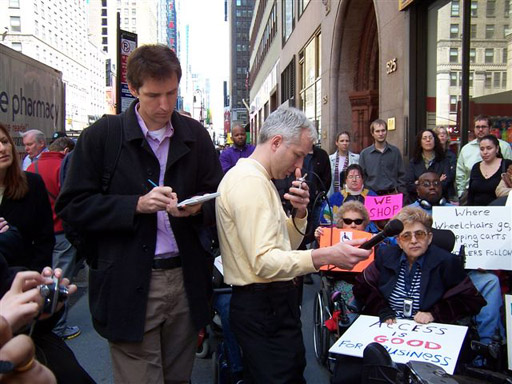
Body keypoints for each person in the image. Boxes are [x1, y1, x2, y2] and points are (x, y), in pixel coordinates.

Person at [56, 44, 223, 384]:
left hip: (185, 278)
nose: (164, 105)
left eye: (172, 93)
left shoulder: (196, 136)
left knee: (179, 378)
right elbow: (72, 207)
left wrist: (194, 209)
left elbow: (218, 201)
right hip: (126, 279)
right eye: (153, 95)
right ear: (133, 90)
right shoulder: (103, 136)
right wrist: (135, 205)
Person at [216, 106, 371, 383]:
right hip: (263, 304)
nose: (299, 166)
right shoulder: (250, 183)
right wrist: (323, 255)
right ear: (276, 142)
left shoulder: (258, 180)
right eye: (297, 154)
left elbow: (282, 243)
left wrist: (299, 214)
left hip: (269, 303)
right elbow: (264, 262)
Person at [408, 171, 506, 359]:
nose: (432, 187)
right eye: (426, 184)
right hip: (426, 275)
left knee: (490, 281)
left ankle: (486, 346)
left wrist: (481, 259)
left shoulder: (458, 211)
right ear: (417, 189)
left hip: (458, 272)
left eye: (436, 183)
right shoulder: (409, 214)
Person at [353, 206, 485, 325]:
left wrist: (434, 314)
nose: (414, 241)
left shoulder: (447, 262)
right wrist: (382, 309)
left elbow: (471, 301)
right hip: (389, 328)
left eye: (420, 234)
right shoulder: (385, 255)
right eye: (406, 236)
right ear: (399, 242)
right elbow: (362, 288)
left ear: (429, 238)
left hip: (429, 331)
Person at [26, 137, 80, 341]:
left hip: (40, 236)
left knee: (42, 279)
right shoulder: (63, 167)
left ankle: (39, 322)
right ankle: (58, 327)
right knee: (61, 281)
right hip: (61, 231)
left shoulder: (32, 167)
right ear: (66, 151)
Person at [0, 123, 54, 273]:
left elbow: (45, 238)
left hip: (23, 280)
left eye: (5, 142)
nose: (3, 148)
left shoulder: (33, 183)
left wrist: (35, 276)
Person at [456, 115, 512, 200]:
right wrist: (461, 193)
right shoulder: (466, 149)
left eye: (483, 127)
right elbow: (460, 174)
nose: (480, 129)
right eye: (477, 127)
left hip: (500, 199)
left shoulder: (504, 146)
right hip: (472, 196)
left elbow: (510, 173)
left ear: (490, 128)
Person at [359, 119, 406, 195]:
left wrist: (401, 192)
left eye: (383, 130)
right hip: (371, 195)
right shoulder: (365, 154)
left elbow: (401, 175)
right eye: (377, 131)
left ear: (386, 131)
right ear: (372, 133)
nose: (380, 134)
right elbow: (362, 176)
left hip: (392, 194)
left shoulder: (395, 152)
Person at [405, 129, 452, 203]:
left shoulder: (444, 161)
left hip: (439, 203)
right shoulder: (414, 162)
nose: (428, 140)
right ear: (420, 142)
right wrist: (437, 182)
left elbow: (446, 183)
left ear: (435, 140)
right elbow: (409, 185)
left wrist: (420, 183)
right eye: (424, 138)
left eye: (430, 138)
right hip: (417, 203)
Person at [467, 134, 512, 206]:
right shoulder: (476, 167)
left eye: (489, 148)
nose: (485, 152)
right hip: (477, 213)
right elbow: (471, 195)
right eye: (482, 149)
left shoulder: (507, 165)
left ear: (497, 149)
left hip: (500, 212)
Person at [328, 131, 359, 196]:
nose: (344, 143)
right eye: (342, 141)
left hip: (351, 195)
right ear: (337, 143)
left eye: (347, 141)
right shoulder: (330, 159)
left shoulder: (357, 158)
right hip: (333, 194)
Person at [434, 126, 456, 199]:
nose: (442, 135)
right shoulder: (431, 154)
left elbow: (450, 175)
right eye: (438, 134)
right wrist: (438, 180)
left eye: (444, 133)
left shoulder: (451, 155)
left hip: (448, 194)